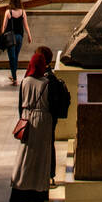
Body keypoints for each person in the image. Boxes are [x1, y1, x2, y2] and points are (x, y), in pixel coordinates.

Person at [9, 49, 53, 202]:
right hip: (43, 121)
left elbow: (20, 104)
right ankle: (38, 192)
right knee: (41, 158)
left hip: (27, 119)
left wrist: (23, 118)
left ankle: (19, 188)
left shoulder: (25, 81)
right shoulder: (47, 83)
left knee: (24, 156)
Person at [37, 46, 71, 187]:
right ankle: (46, 175)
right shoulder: (50, 79)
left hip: (43, 118)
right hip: (48, 118)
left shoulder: (41, 79)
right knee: (48, 145)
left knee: (43, 146)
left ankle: (44, 175)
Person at [1, 0, 32, 85]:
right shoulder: (22, 12)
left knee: (12, 58)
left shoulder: (8, 12)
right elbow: (26, 26)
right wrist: (29, 36)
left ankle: (14, 79)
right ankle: (13, 74)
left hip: (10, 37)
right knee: (16, 56)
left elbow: (4, 26)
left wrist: (2, 36)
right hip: (19, 37)